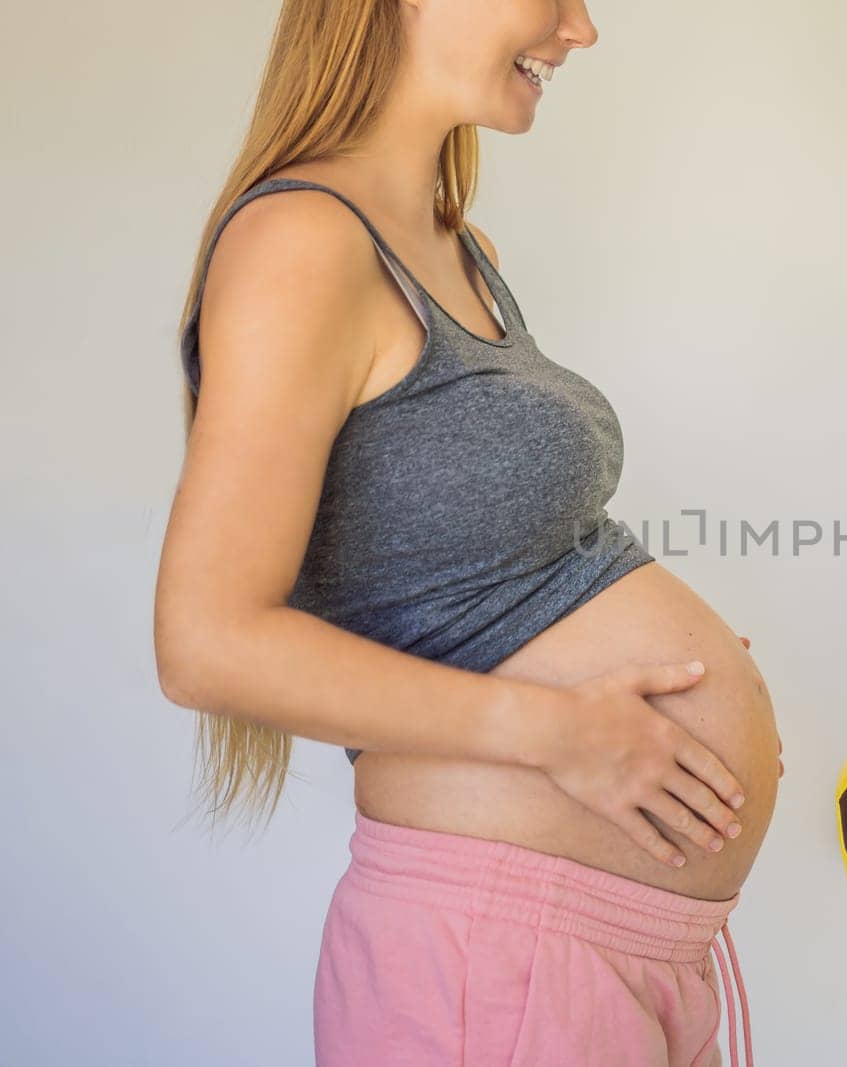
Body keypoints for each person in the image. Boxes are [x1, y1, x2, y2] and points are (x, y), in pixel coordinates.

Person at [153, 2, 782, 1064]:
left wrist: (678, 677)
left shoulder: (462, 251)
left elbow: (487, 560)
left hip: (601, 951)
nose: (579, 30)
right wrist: (558, 729)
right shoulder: (301, 241)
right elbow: (207, 642)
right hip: (493, 954)